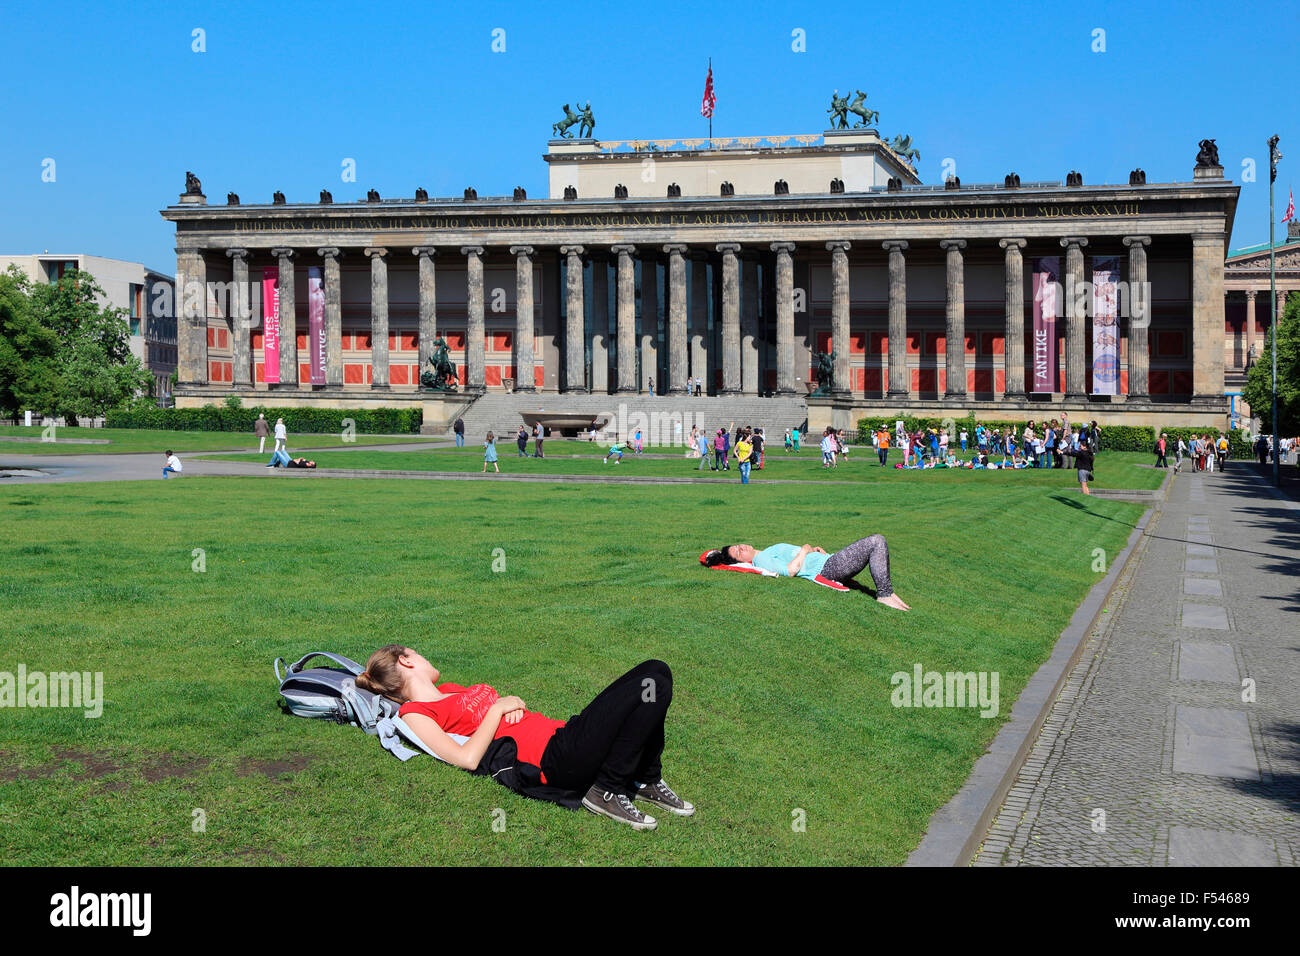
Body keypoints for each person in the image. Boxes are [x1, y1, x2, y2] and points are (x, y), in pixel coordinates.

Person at [357, 647, 692, 830]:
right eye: (418, 653)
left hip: (560, 734)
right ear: (406, 659)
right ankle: (606, 790)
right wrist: (498, 708)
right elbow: (467, 759)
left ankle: (644, 780)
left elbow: (494, 713)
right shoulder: (413, 714)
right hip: (553, 759)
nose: (425, 657)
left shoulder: (450, 691)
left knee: (657, 669)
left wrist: (507, 707)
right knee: (653, 684)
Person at [704, 536, 911, 611]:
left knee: (877, 542)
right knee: (876, 541)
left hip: (826, 560)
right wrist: (804, 549)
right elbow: (790, 571)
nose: (742, 547)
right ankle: (884, 595)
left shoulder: (766, 550)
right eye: (738, 552)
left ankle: (887, 592)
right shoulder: (760, 559)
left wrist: (812, 550)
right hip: (827, 568)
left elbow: (795, 557)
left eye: (738, 545)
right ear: (742, 561)